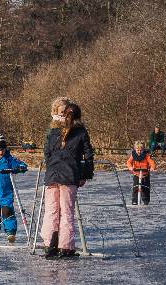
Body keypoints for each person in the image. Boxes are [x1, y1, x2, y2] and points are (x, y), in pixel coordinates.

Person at [41, 98, 94, 260]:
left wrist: (53, 167)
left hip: (52, 176)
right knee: (66, 212)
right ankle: (65, 247)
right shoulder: (81, 132)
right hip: (69, 177)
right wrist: (84, 174)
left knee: (51, 211)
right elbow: (88, 156)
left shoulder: (53, 132)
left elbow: (47, 154)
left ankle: (49, 245)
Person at [126, 141, 157, 205]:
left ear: (143, 150)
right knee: (136, 188)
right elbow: (129, 162)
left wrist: (152, 167)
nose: (139, 152)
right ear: (135, 149)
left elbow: (151, 162)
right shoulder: (133, 155)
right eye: (138, 150)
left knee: (145, 188)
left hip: (145, 174)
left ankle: (146, 201)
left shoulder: (146, 155)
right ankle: (135, 201)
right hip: (137, 174)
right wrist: (130, 167)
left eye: (141, 150)